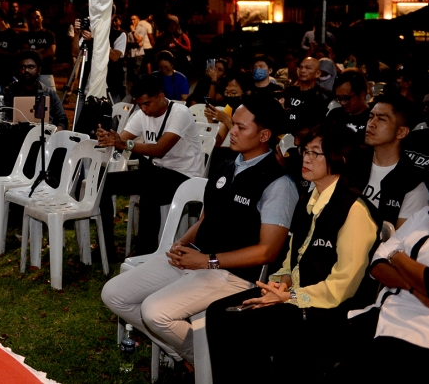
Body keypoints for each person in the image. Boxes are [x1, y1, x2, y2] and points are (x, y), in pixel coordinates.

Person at [101, 95, 297, 371]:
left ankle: (201, 359)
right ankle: (191, 354)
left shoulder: (277, 183)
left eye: (240, 127)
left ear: (264, 135)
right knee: (114, 294)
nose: (232, 131)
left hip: (232, 274)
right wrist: (180, 244)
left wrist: (208, 261)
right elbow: (206, 219)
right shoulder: (225, 165)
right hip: (197, 258)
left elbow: (268, 251)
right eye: (233, 124)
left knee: (154, 311)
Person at [206, 125, 378, 383]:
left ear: (340, 159)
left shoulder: (354, 211)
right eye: (305, 151)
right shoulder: (308, 199)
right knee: (219, 312)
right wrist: (281, 284)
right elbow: (291, 260)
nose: (306, 158)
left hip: (331, 311)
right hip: (294, 296)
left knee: (245, 324)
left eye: (316, 153)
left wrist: (289, 297)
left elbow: (343, 286)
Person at [334, 151, 429, 384]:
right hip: (387, 315)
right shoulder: (426, 214)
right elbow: (377, 264)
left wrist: (396, 255)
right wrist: (415, 288)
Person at [95, 75, 205, 259]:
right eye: (140, 105)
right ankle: (106, 249)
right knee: (103, 183)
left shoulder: (179, 114)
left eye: (147, 103)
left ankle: (145, 254)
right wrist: (108, 138)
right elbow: (122, 138)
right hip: (156, 172)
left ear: (161, 96)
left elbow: (159, 149)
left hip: (185, 176)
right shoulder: (142, 114)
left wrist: (125, 144)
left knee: (150, 191)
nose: (144, 109)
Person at [348, 95, 429, 228]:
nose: (371, 124)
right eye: (371, 116)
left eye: (381, 119)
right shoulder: (352, 162)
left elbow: (401, 237)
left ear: (402, 132)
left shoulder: (413, 184)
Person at [1, 50, 67, 129]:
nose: (26, 70)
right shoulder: (8, 92)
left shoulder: (49, 93)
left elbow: (62, 118)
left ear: (39, 70)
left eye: (31, 67)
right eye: (23, 67)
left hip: (44, 134)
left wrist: (55, 132)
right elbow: (1, 118)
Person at [326, 69, 372, 145]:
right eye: (338, 99)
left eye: (346, 98)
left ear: (362, 95)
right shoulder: (334, 115)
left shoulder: (372, 119)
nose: (342, 103)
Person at [284, 56, 329, 126]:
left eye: (308, 68)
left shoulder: (321, 96)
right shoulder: (289, 90)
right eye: (301, 67)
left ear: (318, 73)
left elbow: (317, 125)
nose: (302, 70)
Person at [21, 8, 57, 89]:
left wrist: (33, 53)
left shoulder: (49, 34)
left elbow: (51, 51)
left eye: (37, 17)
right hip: (30, 75)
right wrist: (42, 50)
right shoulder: (25, 36)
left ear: (42, 18)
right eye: (32, 17)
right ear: (29, 20)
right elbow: (26, 53)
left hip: (46, 73)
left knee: (50, 96)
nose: (36, 19)